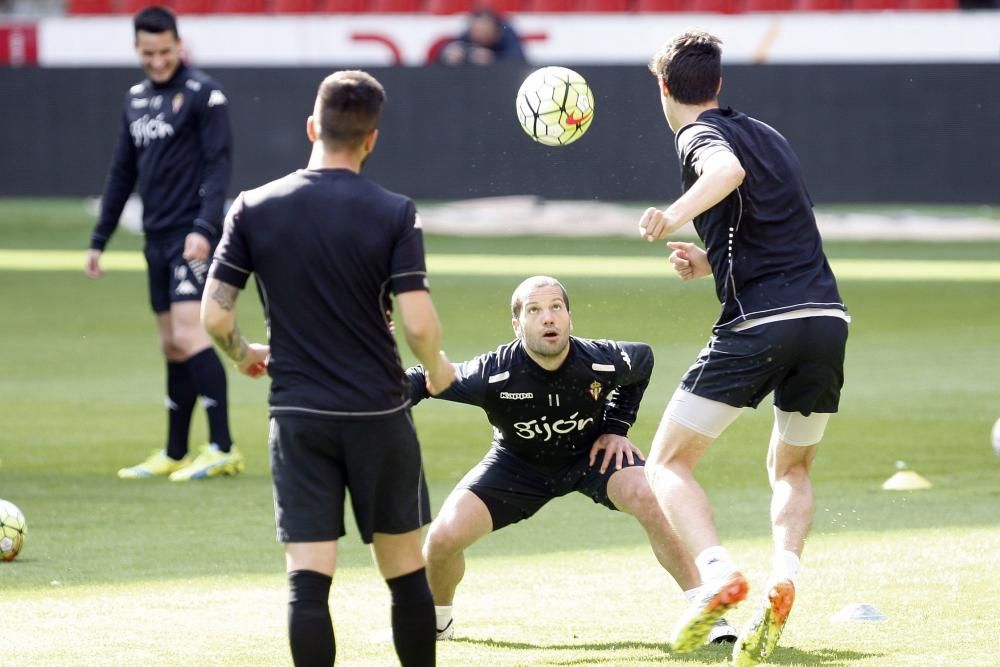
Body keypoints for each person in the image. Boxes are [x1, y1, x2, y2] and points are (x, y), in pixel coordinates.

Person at [201, 69, 454, 667]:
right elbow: (417, 323)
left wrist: (245, 354)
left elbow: (214, 314)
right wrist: (437, 368)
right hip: (378, 414)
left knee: (308, 583)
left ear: (313, 127)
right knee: (404, 575)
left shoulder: (253, 207)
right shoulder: (394, 212)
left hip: (298, 415)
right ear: (372, 138)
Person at [639, 30, 849, 665]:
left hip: (764, 321)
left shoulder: (697, 136)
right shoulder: (769, 135)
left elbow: (723, 173)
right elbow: (782, 226)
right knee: (791, 469)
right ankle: (784, 576)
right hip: (826, 316)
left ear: (665, 87)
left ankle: (718, 574)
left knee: (665, 464)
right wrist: (713, 263)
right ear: (720, 84)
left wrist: (671, 215)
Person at [405, 275, 737, 645]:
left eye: (556, 308)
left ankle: (707, 612)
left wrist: (616, 426)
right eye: (535, 310)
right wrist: (377, 398)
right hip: (518, 466)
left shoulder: (600, 360)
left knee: (651, 496)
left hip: (591, 456)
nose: (548, 318)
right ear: (517, 325)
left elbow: (642, 361)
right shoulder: (491, 373)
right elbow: (424, 380)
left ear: (569, 318)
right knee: (441, 539)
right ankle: (439, 623)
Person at [85, 5, 240, 482]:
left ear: (179, 44)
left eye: (165, 51)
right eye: (148, 53)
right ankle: (175, 450)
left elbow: (218, 165)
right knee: (172, 344)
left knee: (190, 333)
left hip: (190, 235)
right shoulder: (135, 100)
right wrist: (100, 238)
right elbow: (121, 173)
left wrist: (205, 227)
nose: (157, 61)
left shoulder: (203, 94)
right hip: (155, 236)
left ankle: (222, 446)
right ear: (137, 49)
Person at [436, 7, 525, 66]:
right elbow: (446, 50)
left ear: (495, 29)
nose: (479, 35)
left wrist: (492, 59)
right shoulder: (467, 36)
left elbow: (519, 58)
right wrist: (447, 53)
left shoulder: (506, 34)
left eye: (484, 31)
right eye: (476, 31)